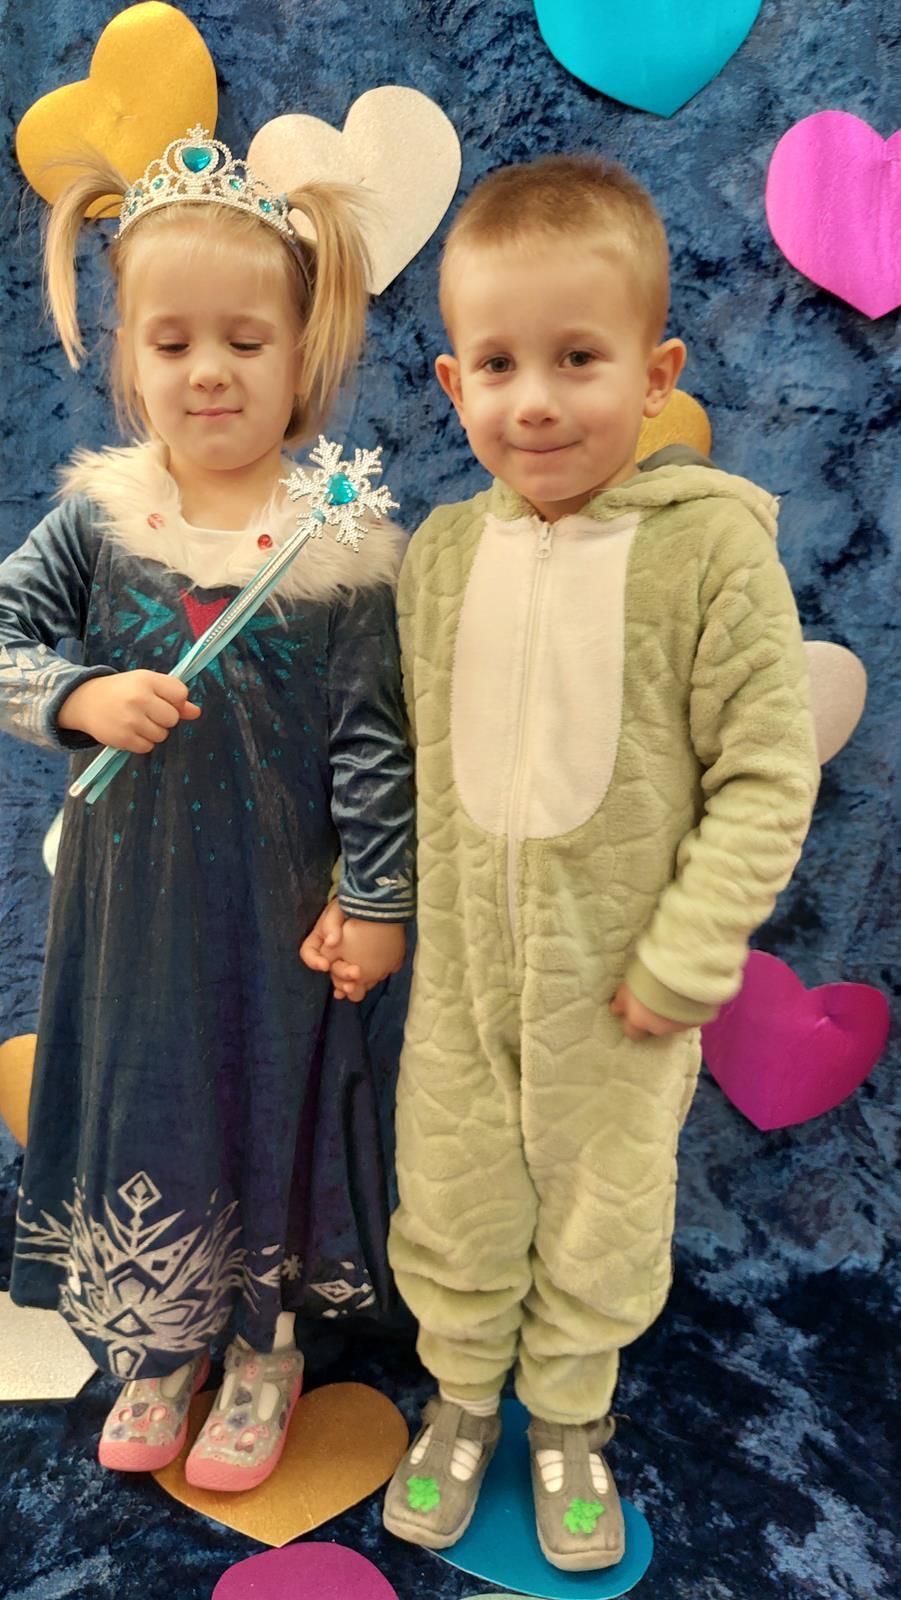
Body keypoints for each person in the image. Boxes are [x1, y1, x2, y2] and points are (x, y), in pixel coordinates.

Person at [311, 152, 820, 1570]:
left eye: (577, 359)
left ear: (655, 375)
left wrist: (685, 952)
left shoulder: (711, 557)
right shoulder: (437, 560)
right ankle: (461, 1400)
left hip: (622, 986)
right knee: (453, 1192)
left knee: (604, 1213)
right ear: (450, 383)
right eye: (498, 364)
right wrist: (369, 897)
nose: (534, 400)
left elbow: (765, 771)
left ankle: (570, 1419)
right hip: (468, 976)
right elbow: (397, 753)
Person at [0, 126, 414, 1493]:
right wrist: (77, 696)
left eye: (245, 340)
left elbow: (376, 747)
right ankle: (161, 1343)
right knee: (152, 1101)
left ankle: (266, 1348)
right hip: (129, 919)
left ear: (302, 354)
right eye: (171, 342)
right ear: (129, 358)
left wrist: (375, 899)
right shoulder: (98, 524)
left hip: (275, 915)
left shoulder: (340, 549)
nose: (208, 371)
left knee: (269, 1106)